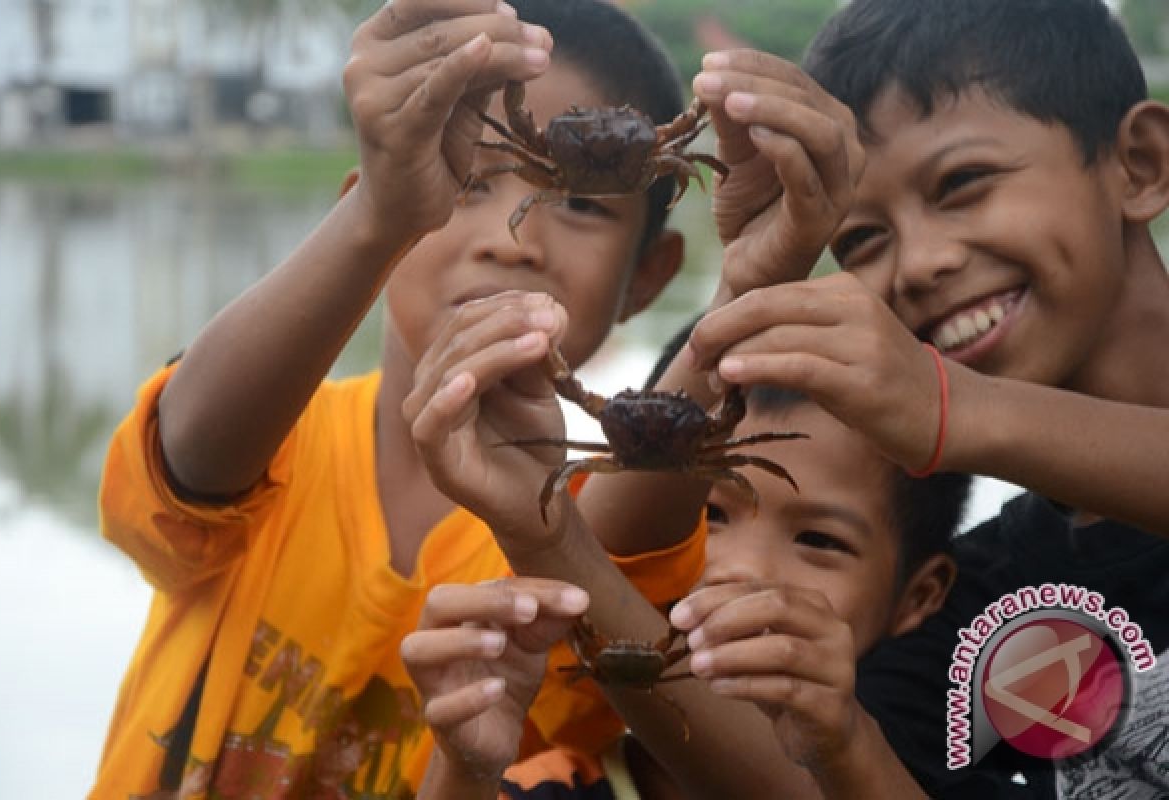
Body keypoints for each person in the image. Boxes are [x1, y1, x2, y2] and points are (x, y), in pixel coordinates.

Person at [90, 1, 711, 796]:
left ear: (650, 277)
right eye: (462, 182)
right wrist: (378, 218)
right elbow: (184, 460)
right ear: (370, 211)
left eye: (583, 203)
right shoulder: (271, 438)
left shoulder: (582, 532)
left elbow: (633, 595)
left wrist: (755, 283)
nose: (513, 238)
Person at [684, 0, 1169, 796]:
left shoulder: (968, 424)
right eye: (863, 241)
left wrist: (961, 411)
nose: (916, 267)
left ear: (1140, 165)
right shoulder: (966, 609)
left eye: (963, 183)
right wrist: (744, 283)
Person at [401, 376, 971, 799]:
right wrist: (465, 770)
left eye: (820, 541)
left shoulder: (940, 773)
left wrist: (844, 747)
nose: (740, 570)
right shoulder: (554, 785)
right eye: (709, 516)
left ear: (919, 596)